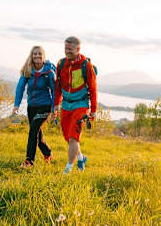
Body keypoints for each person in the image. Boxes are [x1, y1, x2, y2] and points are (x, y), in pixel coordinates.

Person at [52, 36, 97, 174]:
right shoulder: (61, 64)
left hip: (81, 105)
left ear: (78, 49)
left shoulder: (86, 66)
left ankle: (68, 169)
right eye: (66, 48)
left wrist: (93, 110)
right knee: (68, 137)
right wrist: (56, 105)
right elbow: (58, 86)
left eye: (70, 49)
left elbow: (93, 88)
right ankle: (81, 158)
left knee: (73, 137)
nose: (67, 52)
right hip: (66, 105)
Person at [12, 46, 56, 168]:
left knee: (33, 131)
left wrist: (54, 109)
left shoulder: (49, 73)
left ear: (44, 57)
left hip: (45, 106)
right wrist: (16, 105)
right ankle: (47, 153)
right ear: (31, 56)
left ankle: (29, 161)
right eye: (35, 54)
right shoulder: (28, 70)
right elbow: (20, 87)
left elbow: (54, 91)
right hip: (31, 107)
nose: (37, 56)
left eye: (39, 54)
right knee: (37, 133)